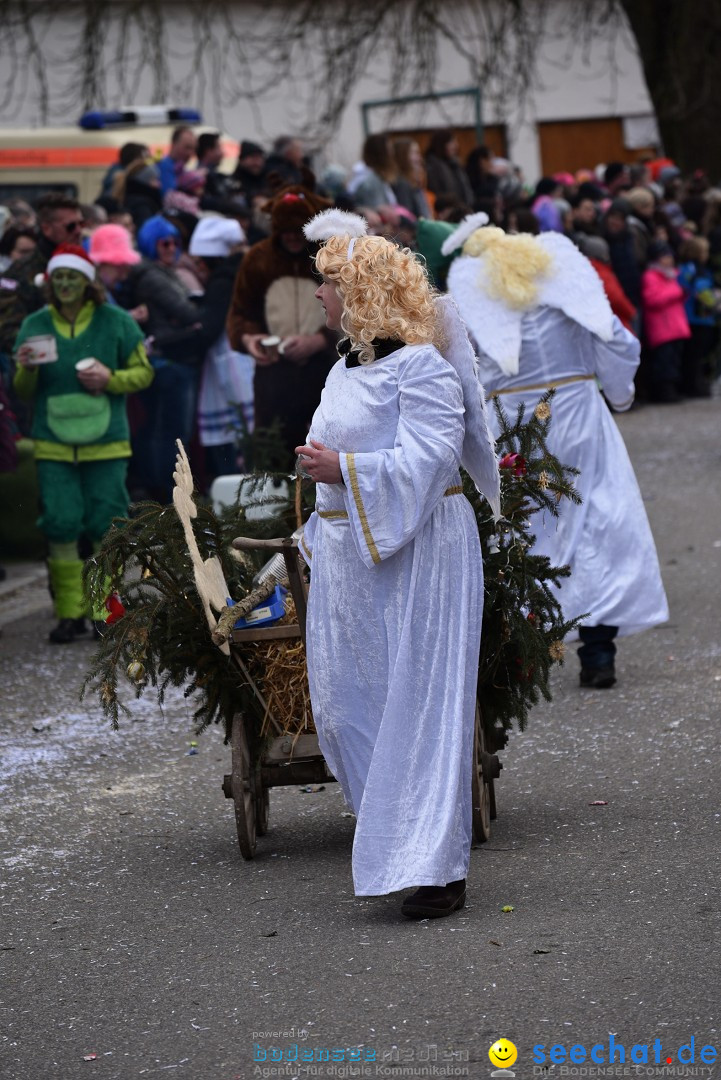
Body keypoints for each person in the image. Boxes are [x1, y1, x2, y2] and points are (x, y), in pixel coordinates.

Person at [294, 208, 500, 919]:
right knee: (347, 704)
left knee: (420, 704)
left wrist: (341, 467)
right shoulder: (347, 367)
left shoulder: (422, 367)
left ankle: (435, 867)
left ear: (361, 291)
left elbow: (432, 459)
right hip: (351, 557)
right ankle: (395, 840)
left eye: (327, 283)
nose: (316, 295)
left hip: (418, 552)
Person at [445, 216, 668, 689]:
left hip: (515, 426)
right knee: (598, 522)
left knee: (526, 530)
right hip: (579, 414)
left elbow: (463, 374)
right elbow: (619, 342)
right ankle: (598, 649)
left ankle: (526, 649)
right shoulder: (564, 288)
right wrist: (619, 393)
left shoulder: (473, 302)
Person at [12, 244, 153, 643]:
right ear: (50, 283)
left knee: (105, 525)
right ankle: (69, 613)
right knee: (60, 523)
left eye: (72, 276)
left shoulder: (116, 322)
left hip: (106, 441)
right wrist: (25, 367)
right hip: (53, 443)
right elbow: (22, 390)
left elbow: (143, 373)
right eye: (59, 277)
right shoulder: (35, 325)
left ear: (87, 281)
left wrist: (110, 379)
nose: (65, 284)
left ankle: (103, 611)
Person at [226, 186, 336, 465]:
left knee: (323, 450)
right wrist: (249, 339)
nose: (291, 237)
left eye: (297, 230)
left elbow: (354, 310)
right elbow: (240, 314)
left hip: (326, 374)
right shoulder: (258, 259)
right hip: (273, 378)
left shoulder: (327, 257)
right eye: (285, 230)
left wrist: (321, 340)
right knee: (272, 458)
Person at [640, 240, 690, 403]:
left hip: (675, 325)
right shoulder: (651, 276)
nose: (669, 260)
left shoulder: (672, 275)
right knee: (664, 362)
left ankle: (672, 390)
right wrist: (676, 291)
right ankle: (664, 393)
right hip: (663, 327)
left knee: (674, 360)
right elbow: (652, 299)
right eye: (664, 256)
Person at [424, 129, 474, 208]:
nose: (456, 145)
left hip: (462, 208)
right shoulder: (432, 167)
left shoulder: (456, 165)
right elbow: (434, 192)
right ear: (442, 144)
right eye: (452, 142)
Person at [157, 126, 197, 196]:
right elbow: (169, 196)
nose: (190, 153)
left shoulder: (183, 170)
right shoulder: (164, 166)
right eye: (187, 147)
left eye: (193, 149)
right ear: (174, 144)